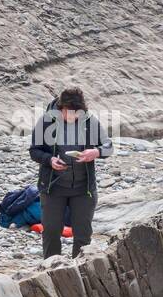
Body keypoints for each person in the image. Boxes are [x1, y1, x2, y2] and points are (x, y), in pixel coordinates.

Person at [29, 87, 110, 259]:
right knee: (51, 233)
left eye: (77, 112)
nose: (73, 116)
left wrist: (96, 152)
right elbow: (34, 150)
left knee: (83, 236)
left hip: (83, 189)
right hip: (53, 188)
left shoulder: (89, 122)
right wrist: (50, 160)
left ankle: (80, 272)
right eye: (69, 112)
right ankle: (50, 271)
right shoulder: (46, 122)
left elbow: (108, 147)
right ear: (60, 108)